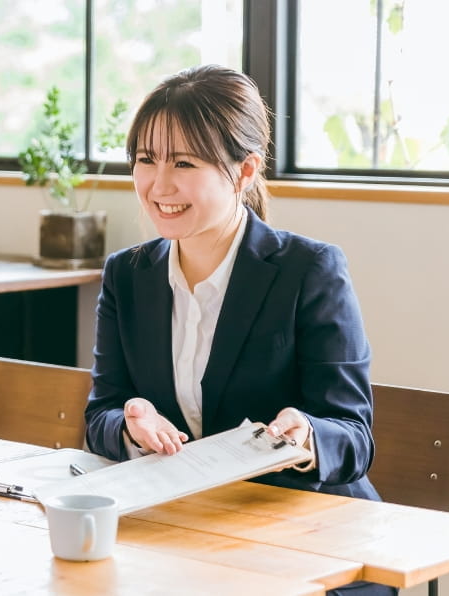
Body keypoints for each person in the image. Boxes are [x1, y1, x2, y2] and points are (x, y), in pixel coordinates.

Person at [83, 65, 392, 595]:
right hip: (190, 532)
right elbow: (101, 413)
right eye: (145, 160)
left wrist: (307, 436)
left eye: (184, 162)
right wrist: (127, 425)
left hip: (312, 539)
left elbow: (353, 436)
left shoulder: (309, 269)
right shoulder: (127, 274)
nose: (159, 185)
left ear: (245, 170)